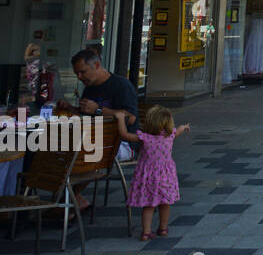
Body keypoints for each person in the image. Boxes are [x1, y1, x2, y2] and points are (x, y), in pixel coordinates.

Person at [58, 49, 138, 208]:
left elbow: (130, 118)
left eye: (82, 72)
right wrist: (70, 109)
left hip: (122, 143)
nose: (79, 77)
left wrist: (98, 110)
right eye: (76, 73)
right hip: (91, 139)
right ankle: (68, 199)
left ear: (97, 65)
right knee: (57, 152)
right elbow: (86, 114)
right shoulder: (90, 87)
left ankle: (69, 199)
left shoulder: (121, 85)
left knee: (82, 154)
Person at [116, 106, 190, 240]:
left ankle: (146, 232)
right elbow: (178, 131)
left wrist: (120, 119)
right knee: (165, 204)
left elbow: (124, 135)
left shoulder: (144, 137)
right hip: (165, 178)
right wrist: (184, 127)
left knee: (149, 205)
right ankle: (163, 228)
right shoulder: (170, 135)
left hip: (148, 177)